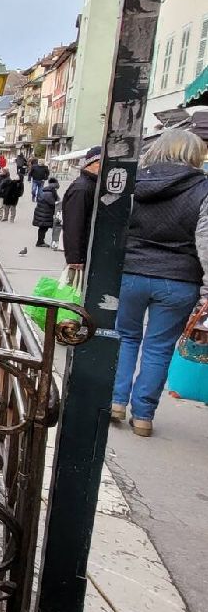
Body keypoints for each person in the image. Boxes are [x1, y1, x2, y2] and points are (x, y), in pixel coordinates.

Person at [110, 131, 208, 437]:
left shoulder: (134, 182)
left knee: (125, 337)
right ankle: (143, 416)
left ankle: (115, 401)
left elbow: (115, 228)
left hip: (132, 272)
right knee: (159, 348)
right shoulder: (204, 188)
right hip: (179, 279)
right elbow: (205, 242)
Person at [62, 146, 102, 270]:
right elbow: (74, 223)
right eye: (101, 163)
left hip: (86, 254)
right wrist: (75, 257)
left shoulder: (91, 184)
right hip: (80, 259)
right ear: (92, 164)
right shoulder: (82, 188)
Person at [33, 177, 60, 247]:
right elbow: (53, 203)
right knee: (43, 228)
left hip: (43, 212)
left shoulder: (46, 191)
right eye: (56, 188)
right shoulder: (49, 193)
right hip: (44, 214)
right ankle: (40, 242)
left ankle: (40, 241)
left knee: (43, 228)